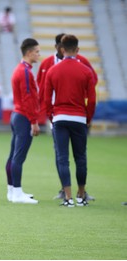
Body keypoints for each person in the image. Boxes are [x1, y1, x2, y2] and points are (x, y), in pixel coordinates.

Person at [36, 33, 97, 201]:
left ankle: (67, 196)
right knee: (81, 157)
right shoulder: (85, 70)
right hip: (79, 118)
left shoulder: (53, 70)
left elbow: (47, 97)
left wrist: (51, 115)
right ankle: (81, 194)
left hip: (59, 117)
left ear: (62, 49)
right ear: (77, 49)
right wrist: (87, 118)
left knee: (62, 158)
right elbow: (92, 99)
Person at [5, 38, 41, 204]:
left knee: (13, 155)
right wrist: (34, 121)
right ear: (29, 52)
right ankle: (17, 192)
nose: (38, 54)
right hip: (23, 117)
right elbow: (27, 99)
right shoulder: (25, 72)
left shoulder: (19, 69)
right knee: (19, 156)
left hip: (17, 115)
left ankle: (12, 190)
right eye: (37, 51)